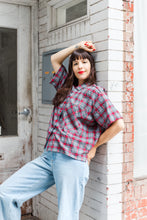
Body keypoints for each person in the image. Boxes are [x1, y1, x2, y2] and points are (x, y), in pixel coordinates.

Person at [0, 41, 124, 220]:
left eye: (84, 62)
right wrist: (77, 46)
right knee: (6, 193)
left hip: (72, 159)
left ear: (92, 66)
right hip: (48, 157)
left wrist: (94, 148)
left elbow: (118, 124)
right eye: (75, 63)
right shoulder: (66, 88)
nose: (80, 66)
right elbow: (54, 59)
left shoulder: (95, 93)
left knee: (66, 215)